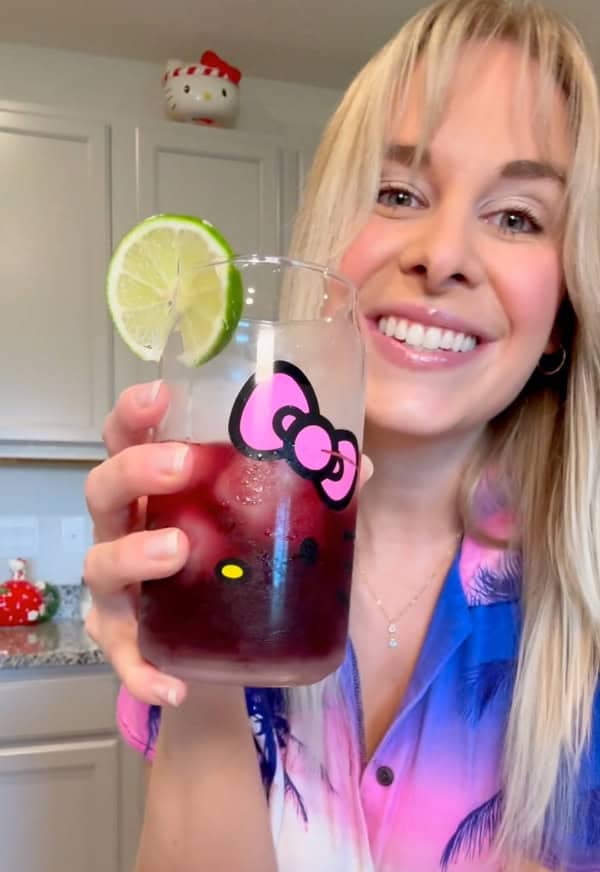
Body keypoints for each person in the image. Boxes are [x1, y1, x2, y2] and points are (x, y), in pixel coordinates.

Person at [82, 0, 600, 869]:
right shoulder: (214, 544)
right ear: (330, 242)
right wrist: (196, 661)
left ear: (562, 314)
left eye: (517, 216)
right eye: (398, 193)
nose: (443, 255)